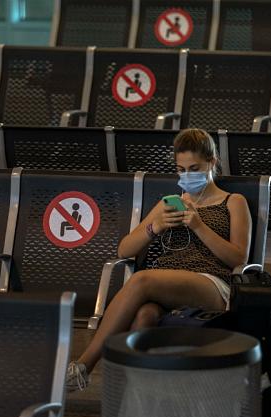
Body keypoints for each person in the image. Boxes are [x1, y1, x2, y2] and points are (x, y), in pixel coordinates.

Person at [65, 128, 252, 392]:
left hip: (212, 284)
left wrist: (199, 226)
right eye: (181, 169)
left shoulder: (233, 202)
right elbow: (124, 249)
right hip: (165, 283)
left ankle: (83, 366)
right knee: (145, 315)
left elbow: (238, 257)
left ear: (212, 162)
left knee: (141, 280)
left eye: (194, 168)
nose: (187, 176)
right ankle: (135, 396)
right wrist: (156, 226)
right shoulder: (171, 203)